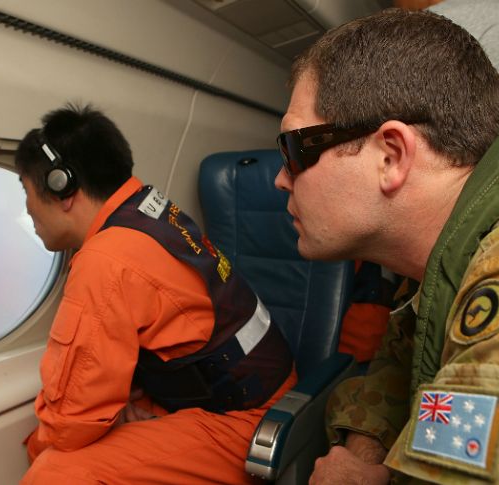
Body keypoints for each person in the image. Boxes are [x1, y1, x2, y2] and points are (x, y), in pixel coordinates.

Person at [272, 9, 499, 484]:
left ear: (391, 156)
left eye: (294, 151)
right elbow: (399, 364)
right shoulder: (446, 251)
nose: (280, 180)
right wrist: (364, 458)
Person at [16, 103, 296, 484]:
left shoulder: (107, 258)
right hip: (242, 389)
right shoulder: (148, 212)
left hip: (248, 420)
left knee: (55, 472)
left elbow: (69, 425)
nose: (27, 210)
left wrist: (40, 447)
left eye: (26, 190)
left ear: (61, 188)